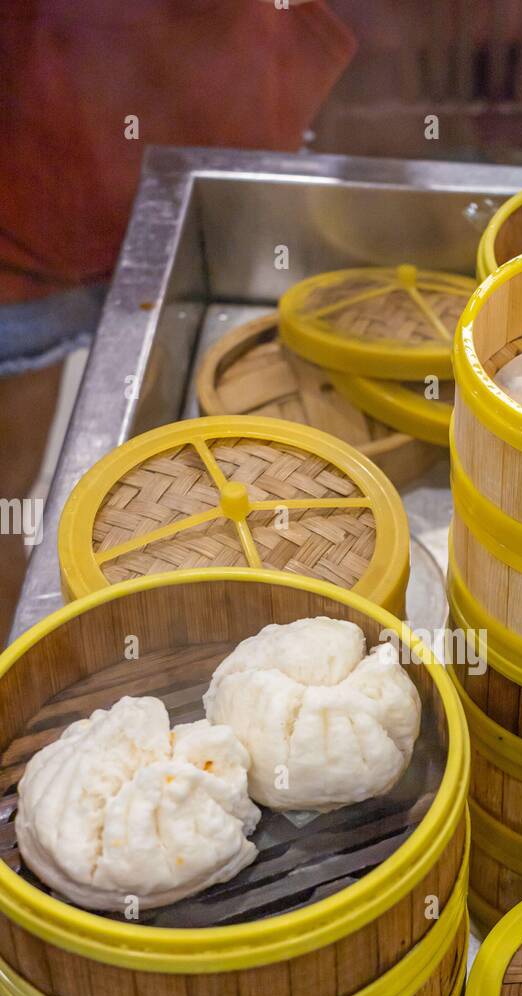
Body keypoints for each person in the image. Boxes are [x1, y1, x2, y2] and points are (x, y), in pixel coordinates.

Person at [0, 0, 356, 641]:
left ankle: (208, 636)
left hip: (220, 134)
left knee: (243, 452)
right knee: (6, 499)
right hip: (27, 168)